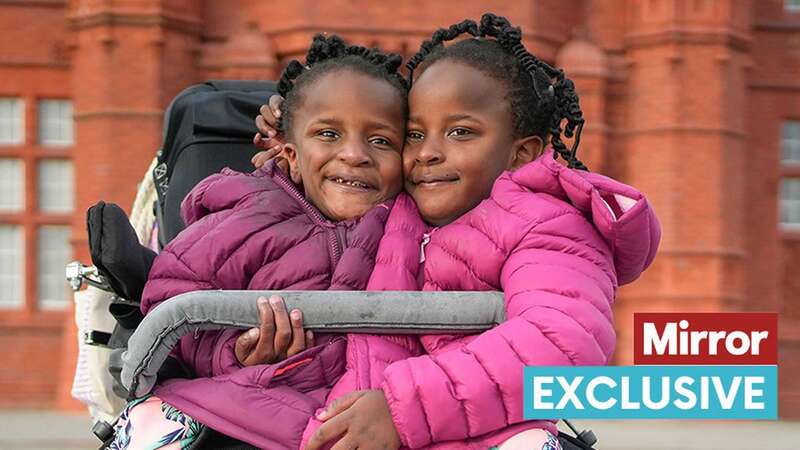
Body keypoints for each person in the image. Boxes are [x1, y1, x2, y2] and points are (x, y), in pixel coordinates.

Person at [251, 14, 660, 450]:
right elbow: (327, 199)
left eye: (460, 132)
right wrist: (294, 150)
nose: (427, 152)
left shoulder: (547, 224)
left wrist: (401, 409)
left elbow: (562, 345)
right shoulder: (396, 210)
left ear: (522, 153)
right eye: (414, 134)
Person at [113, 34, 409, 450]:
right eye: (328, 134)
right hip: (246, 403)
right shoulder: (249, 216)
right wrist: (233, 351)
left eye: (381, 141)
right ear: (289, 156)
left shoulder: (415, 224)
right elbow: (173, 295)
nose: (356, 153)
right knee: (151, 425)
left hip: (375, 414)